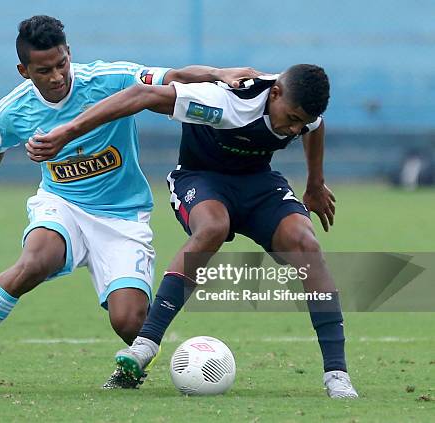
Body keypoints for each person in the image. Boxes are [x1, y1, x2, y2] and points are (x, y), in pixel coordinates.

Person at [0, 14, 260, 391]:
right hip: (62, 205)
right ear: (23, 70)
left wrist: (220, 73)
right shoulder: (14, 110)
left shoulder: (110, 79)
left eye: (61, 63)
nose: (57, 76)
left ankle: (139, 366)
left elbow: (174, 77)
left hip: (123, 216)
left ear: (70, 54)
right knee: (34, 262)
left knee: (130, 322)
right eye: (44, 69)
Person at [28, 64, 359, 398]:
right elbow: (140, 95)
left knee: (307, 245)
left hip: (257, 184)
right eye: (292, 118)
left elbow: (315, 127)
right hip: (201, 179)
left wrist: (315, 183)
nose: (294, 128)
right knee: (214, 226)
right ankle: (145, 345)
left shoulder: (299, 106)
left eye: (301, 121)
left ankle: (337, 374)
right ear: (274, 94)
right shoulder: (222, 101)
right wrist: (66, 133)